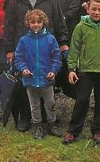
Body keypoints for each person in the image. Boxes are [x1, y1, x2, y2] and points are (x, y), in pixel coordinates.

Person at [3, 0, 69, 132]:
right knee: (24, 85)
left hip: (47, 48)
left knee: (47, 83)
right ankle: (26, 118)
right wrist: (10, 50)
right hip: (24, 49)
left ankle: (49, 119)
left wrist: (63, 42)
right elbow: (9, 26)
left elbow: (59, 20)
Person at [63, 0, 100, 145]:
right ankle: (73, 131)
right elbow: (74, 49)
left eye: (99, 9)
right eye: (93, 9)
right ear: (88, 9)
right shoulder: (80, 27)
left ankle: (97, 131)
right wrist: (71, 69)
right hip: (86, 70)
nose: (96, 12)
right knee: (82, 100)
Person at [14, 9, 63, 139]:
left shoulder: (50, 39)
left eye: (39, 22)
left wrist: (53, 70)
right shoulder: (23, 40)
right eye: (33, 22)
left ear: (44, 22)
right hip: (30, 79)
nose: (36, 25)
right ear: (28, 23)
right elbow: (18, 58)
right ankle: (38, 125)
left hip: (47, 78)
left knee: (50, 102)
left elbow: (56, 57)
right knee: (34, 104)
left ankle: (52, 123)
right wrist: (23, 69)